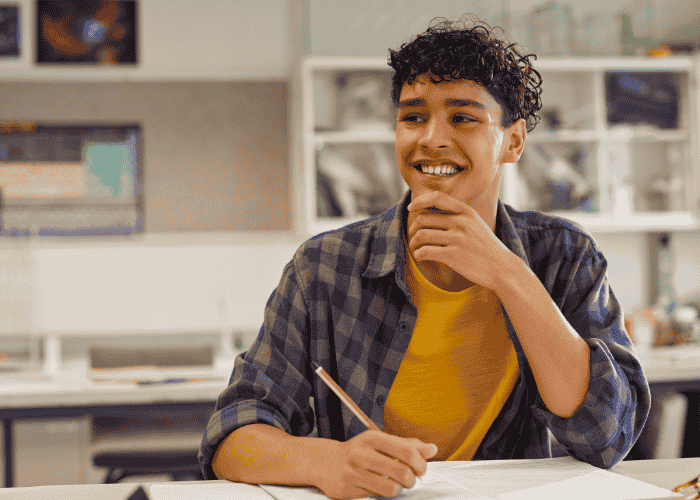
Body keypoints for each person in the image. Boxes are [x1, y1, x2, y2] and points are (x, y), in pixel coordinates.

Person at [200, 15, 651, 500]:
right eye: (413, 117)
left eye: (463, 117)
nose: (431, 138)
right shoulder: (324, 268)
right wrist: (328, 461)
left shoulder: (564, 255)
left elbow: (606, 436)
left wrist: (508, 275)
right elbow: (230, 439)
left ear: (513, 141)